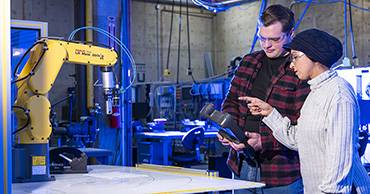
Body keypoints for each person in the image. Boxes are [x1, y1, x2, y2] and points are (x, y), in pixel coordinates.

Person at [242, 28, 370, 193]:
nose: (291, 64)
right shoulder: (315, 92)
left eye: (295, 57)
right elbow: (299, 140)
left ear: (314, 57)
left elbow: (340, 159)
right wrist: (270, 113)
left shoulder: (338, 94)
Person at [218, 4, 310, 193]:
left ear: (291, 34)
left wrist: (265, 141)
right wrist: (228, 129)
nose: (267, 45)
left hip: (281, 173)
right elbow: (232, 101)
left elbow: (303, 125)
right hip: (242, 165)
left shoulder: (301, 69)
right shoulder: (248, 62)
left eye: (274, 39)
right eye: (262, 38)